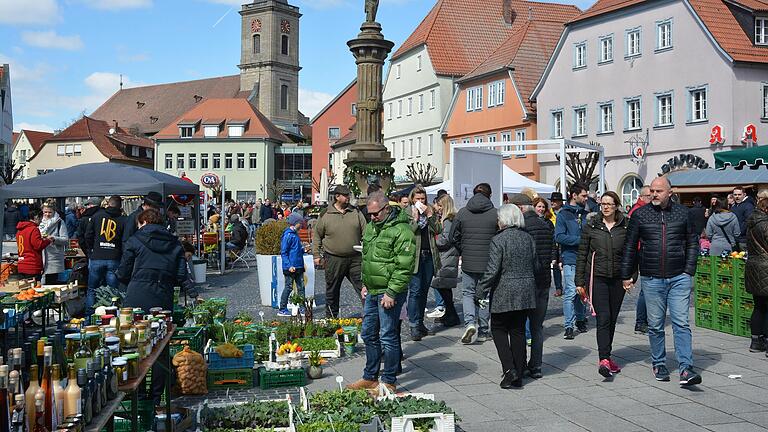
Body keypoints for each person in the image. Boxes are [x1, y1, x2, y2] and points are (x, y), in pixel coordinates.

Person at [621, 176, 702, 386]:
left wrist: (688, 270)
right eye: (652, 191)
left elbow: (693, 242)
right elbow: (630, 246)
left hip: (679, 277)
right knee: (656, 324)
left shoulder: (683, 213)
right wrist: (627, 275)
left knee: (681, 323)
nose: (654, 195)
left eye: (658, 191)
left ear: (670, 192)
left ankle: (686, 368)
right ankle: (659, 363)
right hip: (652, 277)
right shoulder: (640, 215)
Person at [347, 191, 415, 393]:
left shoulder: (402, 231)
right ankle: (370, 377)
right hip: (373, 289)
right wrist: (366, 283)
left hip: (389, 290)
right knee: (368, 333)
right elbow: (367, 258)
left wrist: (392, 292)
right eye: (370, 214)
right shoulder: (371, 228)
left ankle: (389, 380)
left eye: (376, 213)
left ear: (387, 209)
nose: (372, 217)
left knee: (388, 335)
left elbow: (404, 266)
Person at [117, 209, 185, 406]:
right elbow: (181, 275)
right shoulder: (174, 243)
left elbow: (123, 271)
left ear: (143, 222)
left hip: (137, 295)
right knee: (159, 346)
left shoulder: (135, 241)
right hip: (162, 297)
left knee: (132, 342)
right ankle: (155, 397)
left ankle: (133, 392)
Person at [475, 204, 538, 388]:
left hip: (505, 290)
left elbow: (493, 269)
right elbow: (536, 265)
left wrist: (481, 290)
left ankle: (509, 368)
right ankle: (518, 371)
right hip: (526, 290)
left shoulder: (499, 240)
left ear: (504, 220)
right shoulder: (528, 238)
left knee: (498, 329)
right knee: (518, 330)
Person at [575, 191, 629, 378]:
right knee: (603, 317)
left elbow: (631, 254)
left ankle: (608, 355)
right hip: (597, 277)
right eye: (602, 204)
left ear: (616, 206)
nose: (605, 207)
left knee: (612, 318)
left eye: (609, 204)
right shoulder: (591, 225)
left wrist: (632, 275)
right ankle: (603, 359)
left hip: (617, 279)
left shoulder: (625, 226)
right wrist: (579, 281)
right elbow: (582, 254)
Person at [451, 183, 498, 344]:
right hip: (489, 262)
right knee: (484, 295)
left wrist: (463, 249)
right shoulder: (495, 214)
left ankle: (470, 323)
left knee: (468, 293)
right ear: (489, 195)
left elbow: (453, 236)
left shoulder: (463, 212)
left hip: (469, 261)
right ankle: (484, 330)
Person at [513, 195, 555, 379]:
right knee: (537, 327)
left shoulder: (522, 228)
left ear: (521, 209)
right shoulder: (546, 225)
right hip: (543, 281)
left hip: (525, 282)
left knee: (520, 326)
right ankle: (536, 366)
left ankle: (520, 365)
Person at [312, 185, 366, 318]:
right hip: (333, 258)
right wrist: (316, 255)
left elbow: (366, 232)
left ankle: (371, 316)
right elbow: (317, 236)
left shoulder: (356, 212)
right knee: (332, 291)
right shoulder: (326, 214)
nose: (348, 198)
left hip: (355, 258)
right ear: (337, 197)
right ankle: (331, 319)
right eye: (346, 195)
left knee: (363, 288)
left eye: (349, 195)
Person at [555, 182, 590, 339]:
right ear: (574, 195)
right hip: (570, 258)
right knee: (570, 292)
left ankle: (581, 319)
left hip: (585, 259)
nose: (586, 197)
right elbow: (559, 236)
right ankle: (569, 325)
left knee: (581, 291)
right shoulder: (564, 214)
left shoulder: (586, 214)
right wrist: (580, 240)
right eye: (583, 195)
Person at [405, 186, 441, 340]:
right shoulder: (407, 212)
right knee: (415, 291)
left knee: (424, 291)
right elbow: (408, 232)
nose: (420, 201)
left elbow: (438, 229)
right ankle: (413, 325)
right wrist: (415, 219)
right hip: (415, 256)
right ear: (412, 199)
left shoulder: (430, 210)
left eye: (423, 199)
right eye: (417, 199)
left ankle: (420, 323)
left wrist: (430, 215)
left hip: (429, 255)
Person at [84, 195, 126, 314]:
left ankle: (89, 317)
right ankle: (112, 316)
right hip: (114, 257)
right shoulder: (123, 219)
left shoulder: (97, 216)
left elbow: (88, 235)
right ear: (120, 206)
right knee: (113, 291)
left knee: (92, 289)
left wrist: (92, 249)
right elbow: (124, 240)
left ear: (108, 204)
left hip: (97, 256)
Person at [430, 194, 461, 328]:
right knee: (443, 287)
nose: (437, 208)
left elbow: (445, 239)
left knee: (443, 287)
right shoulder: (449, 218)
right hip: (447, 256)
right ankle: (450, 315)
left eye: (440, 205)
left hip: (446, 256)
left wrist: (433, 241)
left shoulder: (448, 220)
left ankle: (452, 316)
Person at [746, 189, 768, 353]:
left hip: (754, 266)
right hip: (765, 268)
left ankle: (755, 341)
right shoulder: (765, 224)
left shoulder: (752, 221)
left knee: (759, 306)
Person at [628, 186, 652, 335]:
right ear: (642, 197)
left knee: (648, 288)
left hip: (644, 251)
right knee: (646, 289)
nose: (652, 197)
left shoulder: (646, 210)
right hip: (640, 252)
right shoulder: (638, 212)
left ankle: (645, 320)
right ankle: (641, 322)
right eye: (649, 195)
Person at [278, 213, 306, 317]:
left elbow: (295, 250)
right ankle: (282, 308)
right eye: (300, 223)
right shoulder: (288, 235)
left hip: (298, 265)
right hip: (291, 267)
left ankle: (302, 308)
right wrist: (289, 265)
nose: (302, 225)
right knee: (288, 287)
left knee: (301, 288)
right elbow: (284, 252)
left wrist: (303, 250)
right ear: (296, 223)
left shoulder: (295, 234)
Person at [16, 209, 52, 280]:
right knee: (34, 289)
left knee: (23, 290)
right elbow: (38, 245)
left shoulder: (20, 230)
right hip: (32, 266)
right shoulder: (34, 229)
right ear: (36, 217)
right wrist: (48, 240)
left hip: (21, 265)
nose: (41, 220)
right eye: (41, 218)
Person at [39, 203, 69, 285]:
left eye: (49, 212)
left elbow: (65, 240)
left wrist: (54, 238)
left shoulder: (59, 222)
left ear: (54, 212)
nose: (47, 214)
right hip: (41, 256)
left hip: (53, 257)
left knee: (51, 282)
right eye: (45, 212)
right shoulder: (40, 222)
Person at [548, 192, 564, 298]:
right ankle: (558, 287)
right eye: (551, 201)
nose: (552, 202)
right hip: (553, 242)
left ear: (560, 202)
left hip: (562, 241)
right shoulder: (548, 213)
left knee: (563, 264)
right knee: (555, 265)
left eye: (555, 201)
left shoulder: (564, 213)